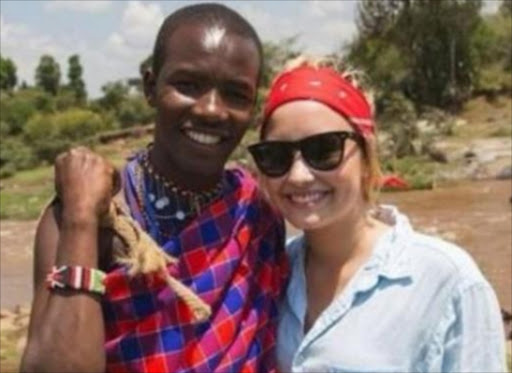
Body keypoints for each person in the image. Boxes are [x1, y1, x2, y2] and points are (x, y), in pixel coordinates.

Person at [20, 4, 288, 373]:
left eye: (235, 94)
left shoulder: (257, 213)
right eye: (188, 85)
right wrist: (81, 221)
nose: (212, 109)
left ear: (253, 108)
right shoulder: (92, 213)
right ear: (150, 87)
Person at [248, 56, 507, 372]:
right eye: (276, 156)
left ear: (367, 155)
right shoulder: (271, 272)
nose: (299, 176)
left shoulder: (447, 281)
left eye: (324, 150)